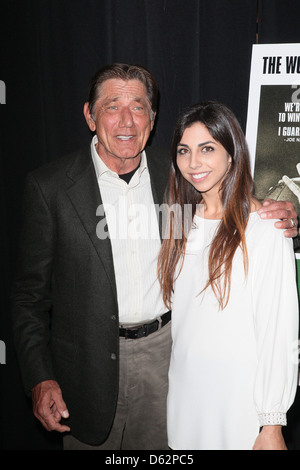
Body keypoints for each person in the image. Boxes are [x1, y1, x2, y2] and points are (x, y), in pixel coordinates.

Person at [11, 65, 298, 450]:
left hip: (167, 362)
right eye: (113, 106)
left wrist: (273, 210)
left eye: (139, 106)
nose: (127, 120)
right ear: (89, 116)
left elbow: (226, 198)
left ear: (153, 118)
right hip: (88, 369)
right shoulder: (50, 188)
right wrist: (39, 377)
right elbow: (29, 297)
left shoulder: (176, 173)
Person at [158, 101, 299, 451]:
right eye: (183, 151)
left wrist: (271, 421)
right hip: (186, 399)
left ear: (232, 154)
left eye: (207, 149)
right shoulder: (176, 220)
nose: (193, 163)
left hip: (241, 404)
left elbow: (278, 329)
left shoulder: (266, 227)